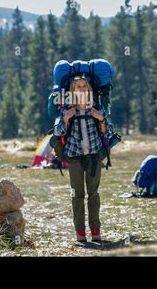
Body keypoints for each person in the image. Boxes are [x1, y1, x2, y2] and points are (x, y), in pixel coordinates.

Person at [53, 76, 111, 243]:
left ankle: (95, 229)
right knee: (76, 195)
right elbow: (57, 132)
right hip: (74, 158)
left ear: (89, 89)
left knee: (93, 194)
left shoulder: (97, 108)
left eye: (85, 86)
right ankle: (80, 231)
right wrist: (65, 120)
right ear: (73, 91)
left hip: (94, 157)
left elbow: (107, 132)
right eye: (79, 86)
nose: (82, 89)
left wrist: (101, 119)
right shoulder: (67, 110)